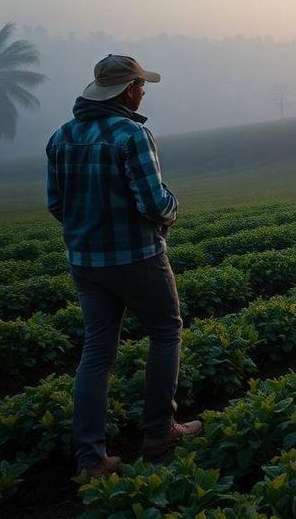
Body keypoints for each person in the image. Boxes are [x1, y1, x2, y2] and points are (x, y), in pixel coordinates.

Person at [45, 54, 201, 478]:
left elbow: (56, 204)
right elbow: (153, 202)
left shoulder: (61, 136)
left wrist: (87, 231)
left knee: (97, 352)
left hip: (84, 262)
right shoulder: (132, 135)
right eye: (140, 85)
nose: (144, 91)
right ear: (127, 90)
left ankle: (91, 459)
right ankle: (158, 431)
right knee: (166, 331)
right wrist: (173, 208)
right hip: (137, 257)